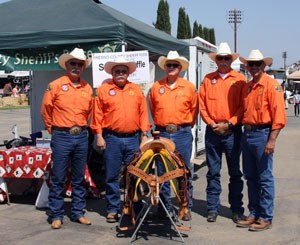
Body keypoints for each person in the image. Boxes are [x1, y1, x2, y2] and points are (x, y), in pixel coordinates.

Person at [90, 57, 151, 223]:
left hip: (133, 139)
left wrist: (145, 134)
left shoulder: (137, 90)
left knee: (135, 175)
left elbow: (143, 113)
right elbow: (97, 115)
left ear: (128, 73)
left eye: (124, 71)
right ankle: (112, 209)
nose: (121, 74)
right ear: (112, 73)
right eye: (117, 71)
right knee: (111, 176)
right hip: (112, 139)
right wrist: (99, 136)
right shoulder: (103, 90)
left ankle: (135, 208)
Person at [41, 48, 93, 229]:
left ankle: (78, 212)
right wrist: (53, 129)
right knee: (58, 177)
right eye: (73, 63)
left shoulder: (87, 88)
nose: (76, 67)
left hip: (81, 136)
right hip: (61, 135)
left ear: (83, 67)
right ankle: (56, 215)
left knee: (79, 177)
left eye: (80, 64)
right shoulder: (55, 85)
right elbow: (46, 110)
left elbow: (89, 112)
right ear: (67, 65)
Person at [237, 49, 286, 231]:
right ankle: (254, 213)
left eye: (258, 64)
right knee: (250, 177)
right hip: (248, 134)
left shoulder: (272, 86)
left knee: (264, 177)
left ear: (263, 66)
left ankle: (265, 216)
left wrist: (271, 140)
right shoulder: (248, 87)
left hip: (262, 134)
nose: (254, 67)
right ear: (247, 66)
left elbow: (279, 116)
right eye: (251, 64)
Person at [199, 42, 246, 223]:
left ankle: (236, 209)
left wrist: (230, 124)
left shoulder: (240, 79)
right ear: (216, 60)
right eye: (221, 58)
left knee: (235, 173)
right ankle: (212, 208)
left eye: (227, 58)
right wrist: (212, 124)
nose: (224, 61)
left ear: (231, 60)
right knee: (213, 172)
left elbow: (243, 106)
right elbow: (202, 105)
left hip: (233, 132)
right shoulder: (207, 79)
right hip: (213, 133)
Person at [149, 50, 198, 221]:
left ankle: (185, 207)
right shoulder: (156, 87)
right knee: (162, 172)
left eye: (174, 65)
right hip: (162, 133)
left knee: (183, 171)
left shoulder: (189, 87)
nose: (171, 67)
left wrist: (183, 126)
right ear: (164, 67)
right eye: (169, 65)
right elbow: (153, 110)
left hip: (182, 133)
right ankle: (164, 208)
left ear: (179, 68)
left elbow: (194, 111)